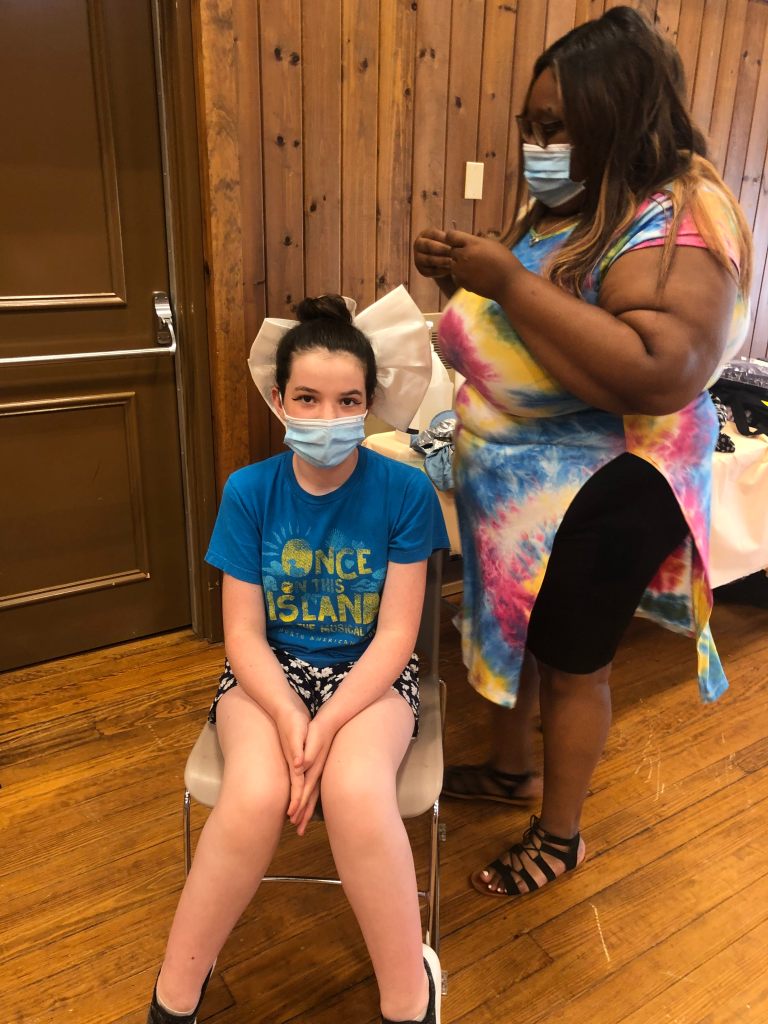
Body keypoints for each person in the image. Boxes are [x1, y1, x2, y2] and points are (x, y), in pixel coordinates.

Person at [413, 5, 752, 898]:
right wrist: (469, 278)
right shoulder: (584, 198)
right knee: (522, 638)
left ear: (618, 118)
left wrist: (503, 281)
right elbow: (554, 311)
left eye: (556, 127)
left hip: (610, 484)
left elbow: (658, 369)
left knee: (570, 662)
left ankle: (559, 837)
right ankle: (511, 771)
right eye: (530, 126)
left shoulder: (680, 215)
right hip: (525, 483)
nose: (537, 146)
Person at [147, 294, 448, 1023]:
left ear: (369, 404)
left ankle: (410, 997)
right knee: (252, 792)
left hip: (370, 680)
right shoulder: (249, 492)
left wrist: (326, 726)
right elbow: (243, 636)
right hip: (265, 679)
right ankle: (173, 998)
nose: (326, 417)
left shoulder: (406, 491)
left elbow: (396, 636)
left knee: (357, 791)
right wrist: (289, 718)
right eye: (307, 398)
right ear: (278, 400)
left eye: (347, 401)